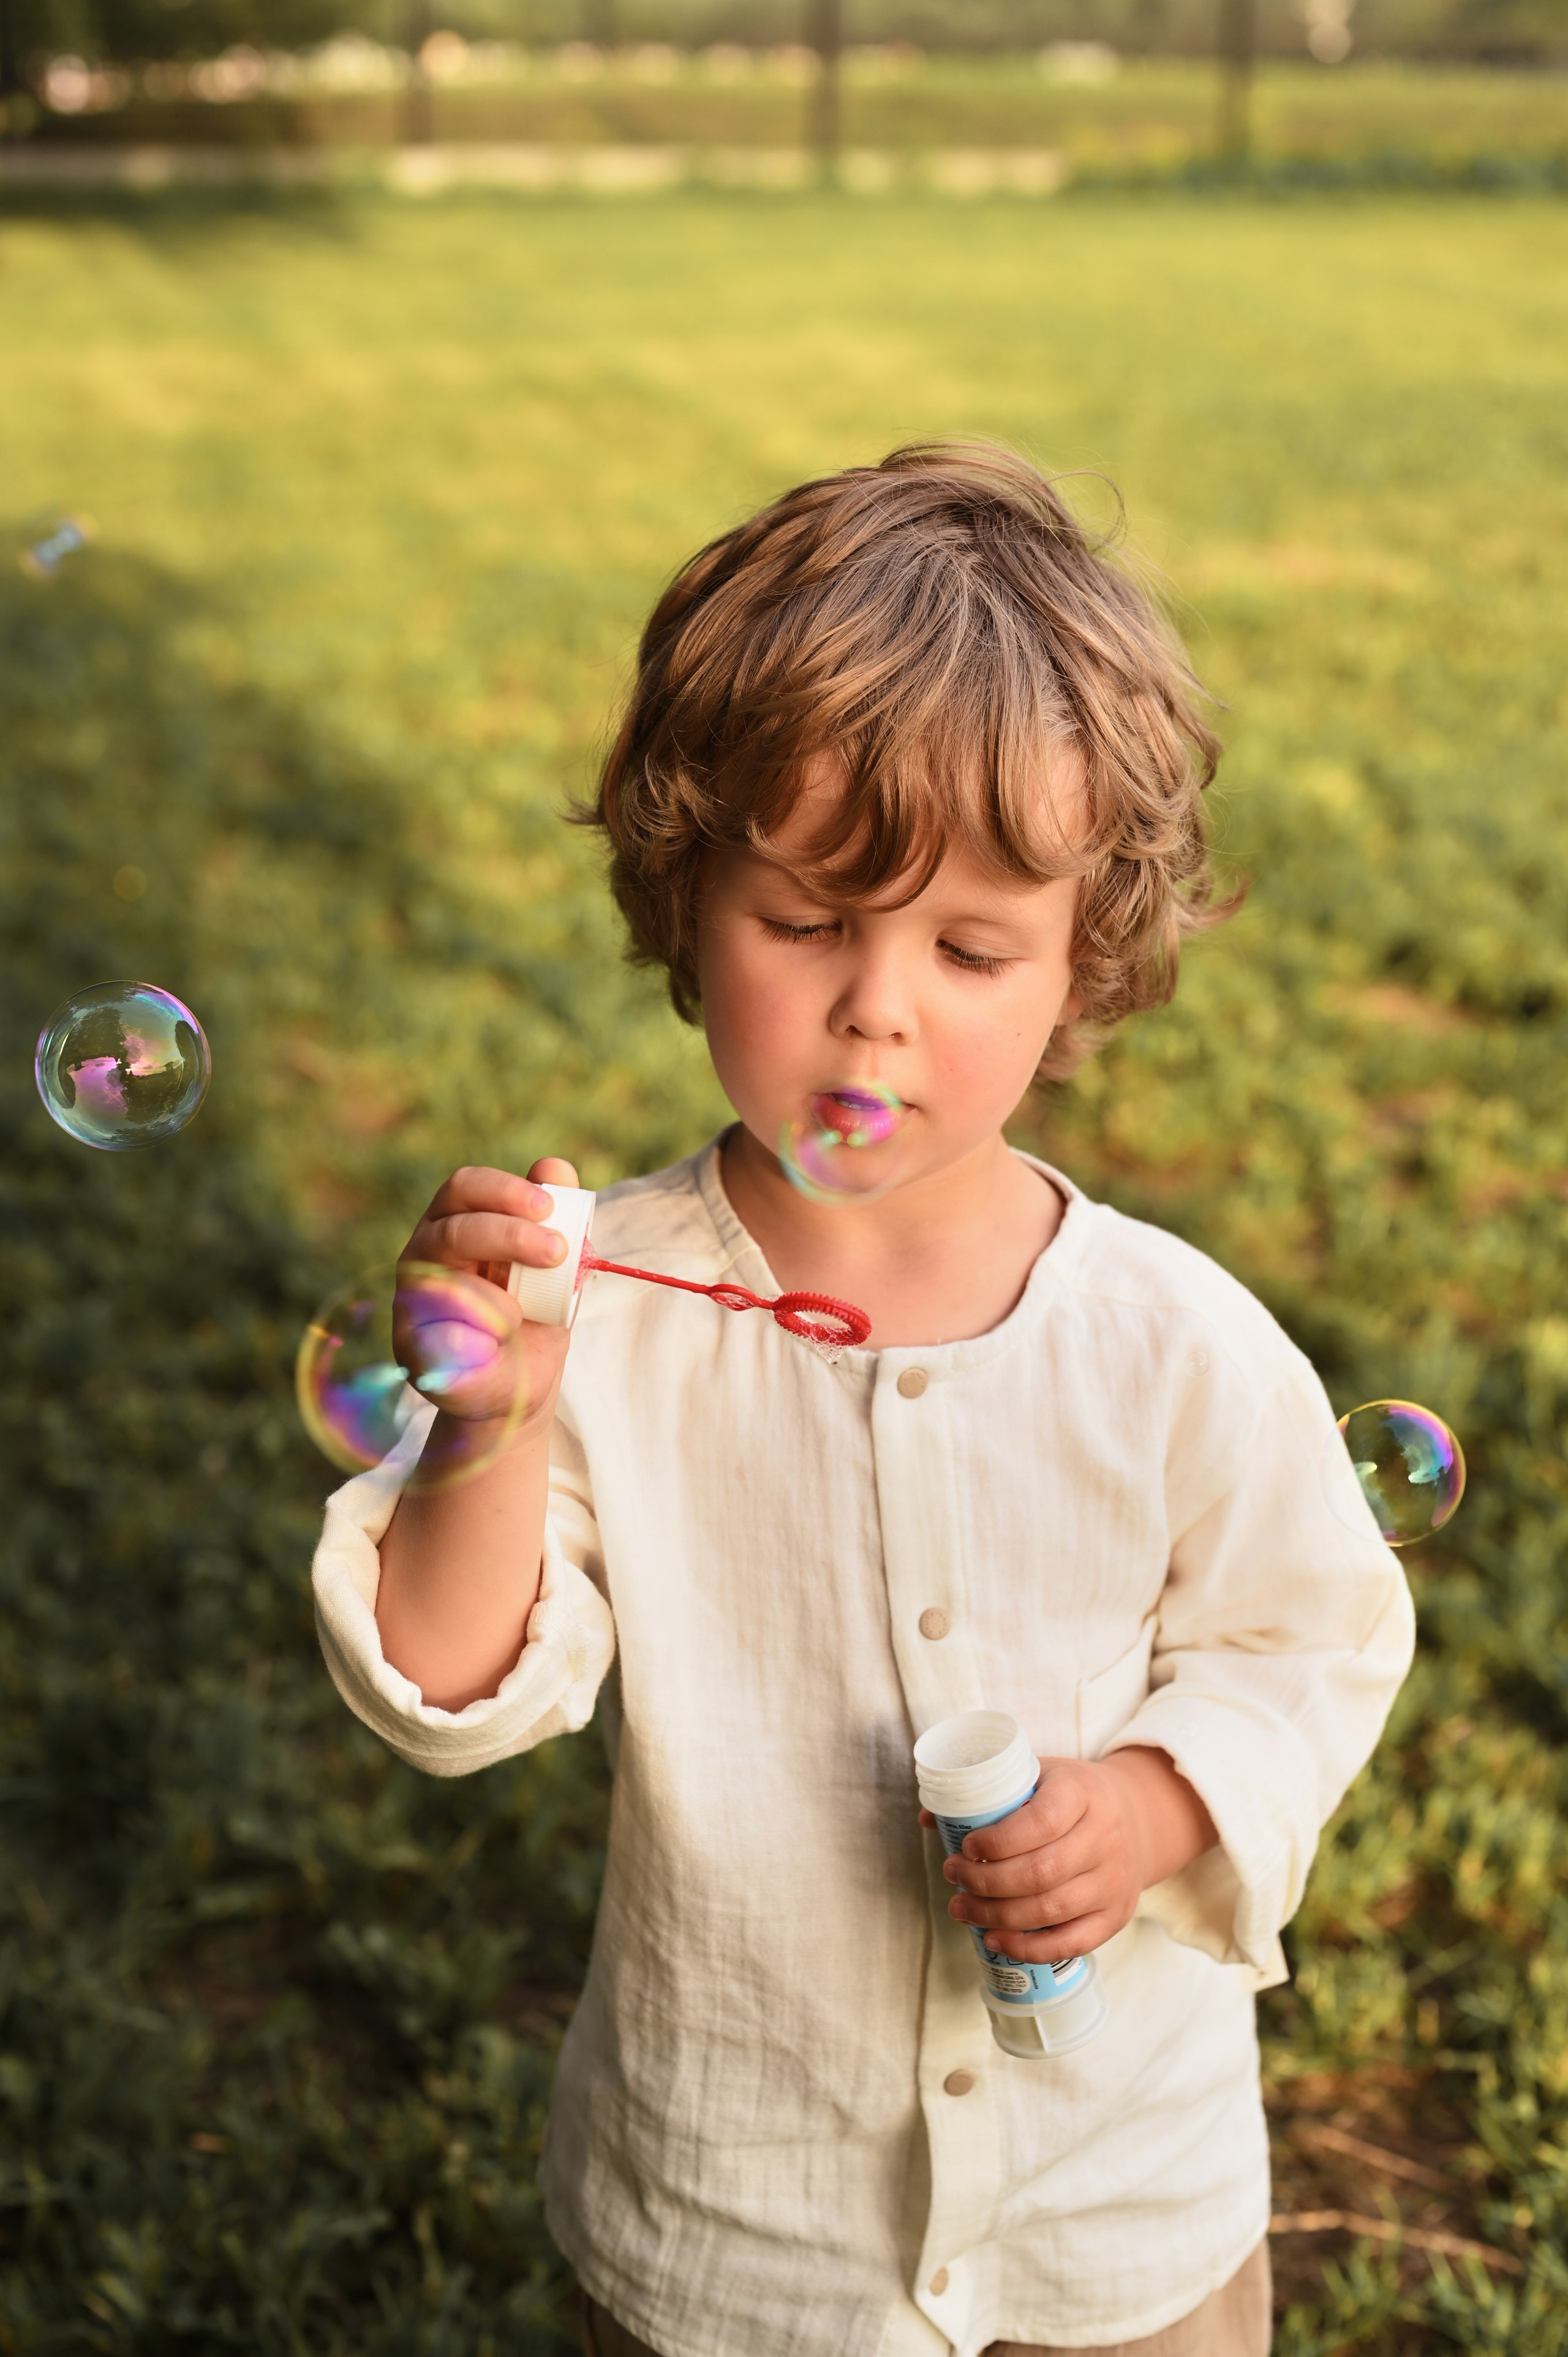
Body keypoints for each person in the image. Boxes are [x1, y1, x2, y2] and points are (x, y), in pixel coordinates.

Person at [312, 442, 1414, 2357]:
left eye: (972, 948)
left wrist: (1157, 1809)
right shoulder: (608, 1321)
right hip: (737, 2240)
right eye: (807, 921)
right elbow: (455, 1692)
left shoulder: (1171, 1341)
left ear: (1084, 963)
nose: (877, 1008)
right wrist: (487, 1417)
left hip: (1115, 2232)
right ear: (683, 896)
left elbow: (1305, 1641)